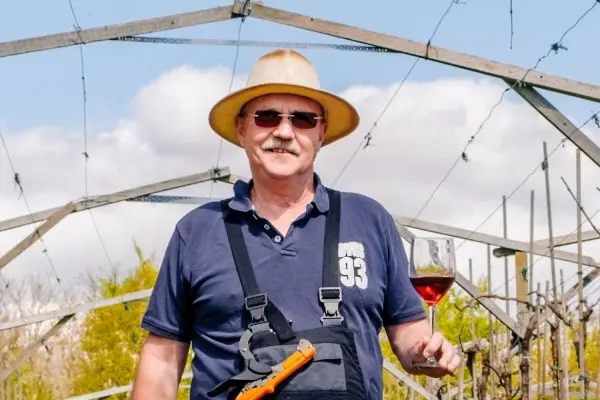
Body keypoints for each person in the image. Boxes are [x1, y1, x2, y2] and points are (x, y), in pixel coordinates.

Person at [131, 49, 461, 400]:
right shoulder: (197, 231)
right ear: (241, 128)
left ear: (321, 133)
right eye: (267, 117)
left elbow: (409, 331)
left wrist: (426, 353)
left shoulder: (369, 220)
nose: (284, 131)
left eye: (303, 119)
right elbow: (162, 360)